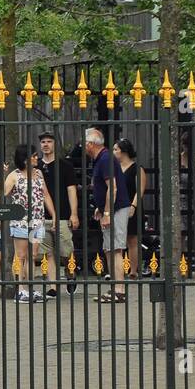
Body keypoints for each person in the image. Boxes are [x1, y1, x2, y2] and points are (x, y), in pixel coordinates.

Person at [1, 144, 56, 302]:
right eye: (32, 155)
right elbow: (2, 193)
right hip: (21, 220)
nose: (36, 158)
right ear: (24, 159)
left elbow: (45, 195)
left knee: (32, 255)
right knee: (21, 255)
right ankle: (20, 289)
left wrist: (54, 215)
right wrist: (1, 177)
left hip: (37, 220)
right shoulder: (14, 175)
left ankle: (29, 287)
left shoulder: (38, 173)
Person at [37, 131, 80, 297]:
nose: (46, 144)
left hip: (62, 214)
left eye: (49, 141)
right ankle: (53, 286)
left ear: (54, 144)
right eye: (43, 142)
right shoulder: (36, 167)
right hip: (41, 216)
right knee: (47, 253)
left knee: (66, 251)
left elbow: (71, 190)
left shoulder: (65, 165)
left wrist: (74, 213)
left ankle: (71, 275)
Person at [86, 127, 127, 303]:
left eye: (85, 143)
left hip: (116, 209)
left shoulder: (105, 159)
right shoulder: (101, 158)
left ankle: (119, 289)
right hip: (110, 208)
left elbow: (113, 188)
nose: (84, 146)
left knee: (115, 249)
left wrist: (108, 212)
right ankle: (115, 288)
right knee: (109, 248)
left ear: (91, 144)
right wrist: (100, 207)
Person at [114, 137, 146, 279]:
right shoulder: (114, 168)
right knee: (117, 240)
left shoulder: (136, 169)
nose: (113, 152)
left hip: (132, 206)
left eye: (116, 149)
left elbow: (140, 190)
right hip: (117, 207)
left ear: (124, 151)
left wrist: (133, 205)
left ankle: (133, 271)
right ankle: (117, 271)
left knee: (132, 239)